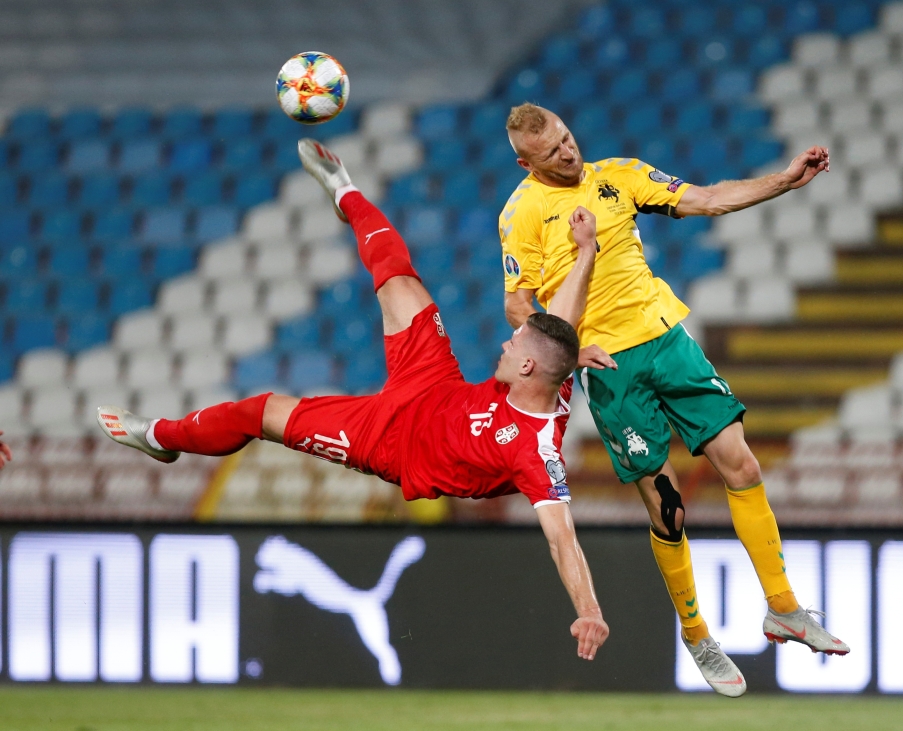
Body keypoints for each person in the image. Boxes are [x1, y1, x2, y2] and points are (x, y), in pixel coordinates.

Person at [95, 138, 609, 663]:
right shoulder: (555, 370)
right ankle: (346, 189)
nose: (506, 341)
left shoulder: (536, 451)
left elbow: (561, 538)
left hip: (391, 440)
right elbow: (559, 326)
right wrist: (586, 250)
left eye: (514, 344)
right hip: (435, 384)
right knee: (398, 279)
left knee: (261, 412)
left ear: (527, 367)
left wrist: (588, 609)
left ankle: (163, 438)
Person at [499, 103, 848, 696]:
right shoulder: (521, 213)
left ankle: (784, 607)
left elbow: (708, 199)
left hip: (667, 340)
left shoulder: (620, 174)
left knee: (742, 463)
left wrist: (785, 181)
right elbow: (518, 305)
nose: (567, 150)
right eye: (551, 149)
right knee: (668, 506)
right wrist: (567, 349)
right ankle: (695, 632)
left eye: (567, 137)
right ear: (524, 160)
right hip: (610, 366)